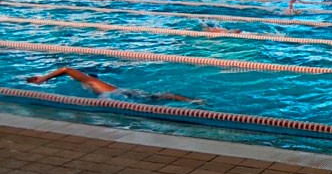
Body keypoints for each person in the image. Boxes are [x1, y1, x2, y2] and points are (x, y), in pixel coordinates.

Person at [26, 67, 201, 103]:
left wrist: (43, 78)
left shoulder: (90, 81)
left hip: (120, 94)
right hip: (120, 93)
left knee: (159, 96)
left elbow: (65, 69)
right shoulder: (93, 83)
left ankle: (191, 101)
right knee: (156, 97)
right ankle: (190, 100)